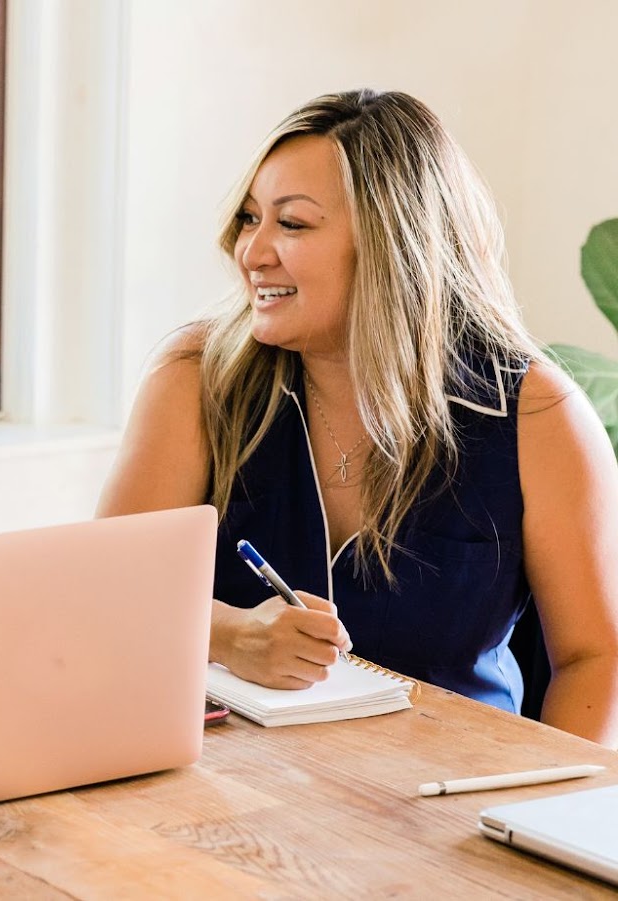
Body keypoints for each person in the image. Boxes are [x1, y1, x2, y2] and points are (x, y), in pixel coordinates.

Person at [97, 89, 618, 745]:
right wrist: (229, 634)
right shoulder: (195, 378)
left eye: (292, 224)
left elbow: (595, 657)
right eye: (251, 218)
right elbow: (105, 597)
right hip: (230, 795)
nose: (252, 252)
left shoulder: (539, 414)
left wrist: (539, 816)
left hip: (452, 801)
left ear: (392, 244)